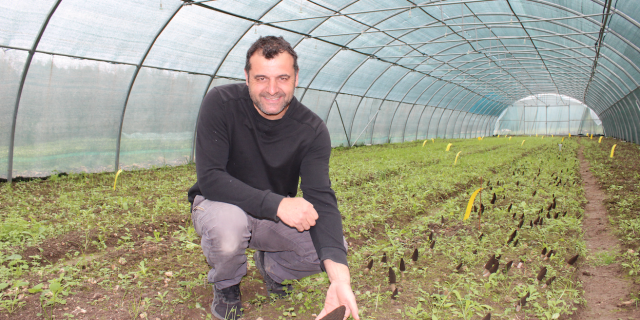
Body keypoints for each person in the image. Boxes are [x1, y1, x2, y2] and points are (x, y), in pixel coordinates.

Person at [187, 36, 360, 320]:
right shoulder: (221, 103)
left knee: (332, 250)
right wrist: (279, 205)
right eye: (261, 78)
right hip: (221, 204)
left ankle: (272, 267)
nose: (272, 89)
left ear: (295, 78)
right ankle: (227, 287)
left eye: (282, 78)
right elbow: (211, 178)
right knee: (229, 228)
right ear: (246, 77)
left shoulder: (311, 129)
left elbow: (322, 199)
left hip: (270, 215)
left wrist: (340, 279)